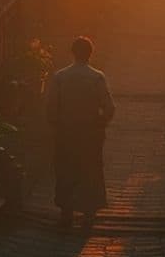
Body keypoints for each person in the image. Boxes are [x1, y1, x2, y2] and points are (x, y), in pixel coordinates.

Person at [45, 36, 115, 231]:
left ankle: (66, 213)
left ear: (72, 53)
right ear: (90, 54)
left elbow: (51, 107)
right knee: (90, 171)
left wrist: (56, 125)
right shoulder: (96, 77)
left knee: (65, 171)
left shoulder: (60, 77)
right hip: (91, 133)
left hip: (66, 132)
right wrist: (101, 123)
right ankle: (88, 215)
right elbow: (109, 107)